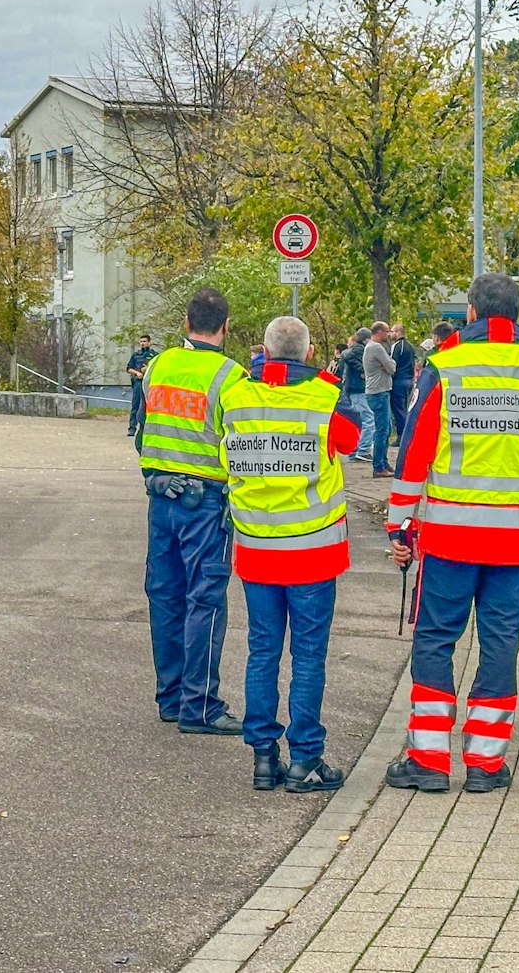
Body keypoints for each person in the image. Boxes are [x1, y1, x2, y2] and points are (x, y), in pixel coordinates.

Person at [385, 274, 519, 794]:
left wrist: (401, 523)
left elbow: (414, 452)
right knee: (500, 644)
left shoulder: (445, 368)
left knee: (435, 639)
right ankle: (486, 763)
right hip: (515, 539)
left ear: (471, 312)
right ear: (517, 314)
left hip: (451, 536)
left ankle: (429, 759)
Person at [222, 315, 363, 793]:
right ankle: (306, 760)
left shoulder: (237, 395)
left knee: (262, 651)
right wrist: (324, 382)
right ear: (305, 354)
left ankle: (264, 757)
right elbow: (352, 439)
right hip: (312, 551)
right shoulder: (324, 397)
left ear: (263, 349)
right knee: (307, 656)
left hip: (257, 548)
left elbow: (225, 456)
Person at [137, 288, 246, 734]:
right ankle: (199, 705)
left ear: (186, 322)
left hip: (160, 497)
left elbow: (145, 427)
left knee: (164, 596)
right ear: (225, 326)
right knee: (205, 600)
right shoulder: (232, 376)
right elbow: (239, 444)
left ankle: (170, 696)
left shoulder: (158, 365)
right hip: (206, 504)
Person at [362, 322, 397, 477]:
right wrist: (389, 364)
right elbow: (391, 368)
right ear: (380, 332)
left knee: (386, 428)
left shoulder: (370, 347)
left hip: (376, 391)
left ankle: (383, 462)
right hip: (379, 392)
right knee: (382, 430)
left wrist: (389, 364)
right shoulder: (376, 347)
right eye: (387, 331)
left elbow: (389, 366)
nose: (389, 335)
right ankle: (378, 466)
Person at [341, 328, 373, 462]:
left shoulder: (357, 348)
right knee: (368, 419)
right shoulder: (359, 349)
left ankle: (355, 449)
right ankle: (363, 449)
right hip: (357, 388)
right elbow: (348, 357)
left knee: (360, 419)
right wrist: (363, 369)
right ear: (367, 339)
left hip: (353, 387)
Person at [125, 334, 158, 437]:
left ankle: (146, 429)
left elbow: (157, 368)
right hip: (138, 383)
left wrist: (147, 369)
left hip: (149, 383)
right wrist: (137, 373)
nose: (143, 343)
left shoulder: (154, 355)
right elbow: (128, 368)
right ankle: (132, 428)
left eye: (144, 341)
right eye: (141, 341)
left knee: (148, 406)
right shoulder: (136, 355)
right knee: (136, 405)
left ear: (149, 342)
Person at [388, 323, 417, 434]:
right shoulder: (410, 346)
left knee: (398, 410)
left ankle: (402, 435)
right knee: (404, 407)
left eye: (392, 331)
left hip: (399, 380)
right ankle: (406, 433)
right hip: (409, 380)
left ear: (398, 332)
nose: (390, 334)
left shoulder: (397, 346)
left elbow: (392, 364)